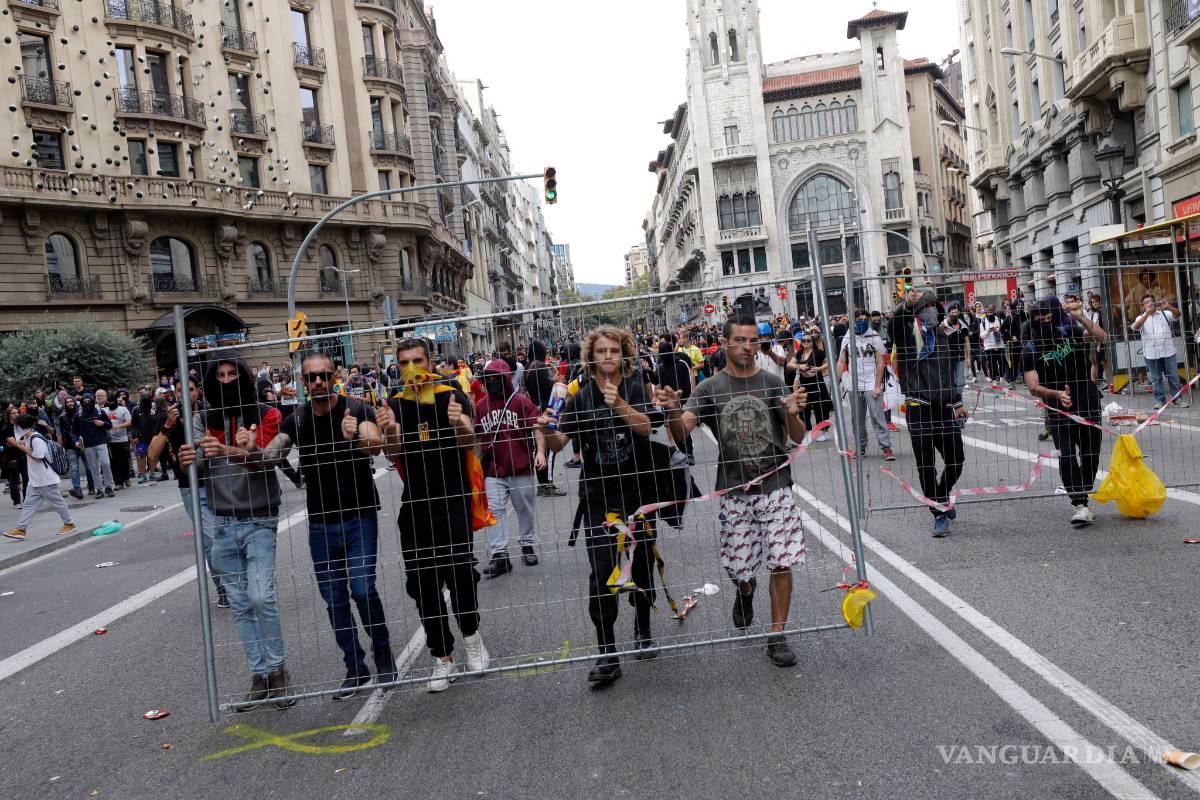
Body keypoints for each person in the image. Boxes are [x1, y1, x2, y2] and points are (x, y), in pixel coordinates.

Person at [658, 315, 809, 667]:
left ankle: (776, 635)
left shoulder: (772, 382)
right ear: (725, 343)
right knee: (739, 568)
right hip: (734, 490)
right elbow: (681, 433)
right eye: (740, 339)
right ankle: (745, 590)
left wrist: (793, 413)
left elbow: (799, 437)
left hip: (775, 485)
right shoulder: (710, 388)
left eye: (753, 340)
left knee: (781, 561)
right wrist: (671, 412)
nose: (747, 346)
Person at [256, 353, 397, 700]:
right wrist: (251, 450)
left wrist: (355, 437)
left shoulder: (356, 409)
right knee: (333, 600)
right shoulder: (298, 419)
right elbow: (271, 456)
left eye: (324, 376)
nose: (318, 382)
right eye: (311, 377)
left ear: (334, 377)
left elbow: (376, 447)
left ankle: (383, 654)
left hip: (360, 516)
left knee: (362, 590)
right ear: (303, 384)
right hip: (320, 524)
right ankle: (354, 666)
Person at [540, 325, 663, 684]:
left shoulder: (635, 389)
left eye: (613, 351)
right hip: (598, 498)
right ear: (591, 358)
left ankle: (643, 626)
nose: (607, 357)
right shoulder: (579, 398)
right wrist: (546, 430)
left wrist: (621, 404)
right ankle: (607, 651)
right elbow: (561, 442)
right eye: (600, 352)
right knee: (603, 571)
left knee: (640, 567)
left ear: (622, 355)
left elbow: (645, 428)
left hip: (637, 494)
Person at [178, 352, 295, 709]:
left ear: (244, 377)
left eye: (233, 374)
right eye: (220, 375)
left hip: (259, 517)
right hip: (223, 521)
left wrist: (238, 448)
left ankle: (278, 672)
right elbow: (195, 465)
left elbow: (270, 458)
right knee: (241, 604)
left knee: (261, 596)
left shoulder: (267, 414)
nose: (226, 380)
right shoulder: (202, 418)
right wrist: (186, 459)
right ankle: (260, 675)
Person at [379, 338, 489, 692]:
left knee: (460, 576)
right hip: (416, 507)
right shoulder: (396, 404)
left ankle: (472, 640)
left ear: (431, 361)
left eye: (418, 361)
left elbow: (472, 443)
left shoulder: (451, 394)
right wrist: (390, 431)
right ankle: (442, 657)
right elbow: (391, 452)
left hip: (453, 501)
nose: (412, 369)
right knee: (422, 585)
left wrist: (458, 422)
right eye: (404, 363)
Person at [1021, 295, 1109, 526]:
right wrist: (1056, 394)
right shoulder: (1030, 348)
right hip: (1058, 408)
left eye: (1048, 316)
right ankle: (1080, 503)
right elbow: (1032, 387)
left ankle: (1084, 492)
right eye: (1038, 318)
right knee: (1067, 455)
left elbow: (1102, 337)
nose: (1043, 321)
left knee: (1091, 453)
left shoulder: (1070, 330)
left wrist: (1080, 316)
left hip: (1087, 400)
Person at [890, 292, 969, 537]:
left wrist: (958, 402)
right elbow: (894, 324)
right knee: (926, 466)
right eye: (925, 308)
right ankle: (938, 513)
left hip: (945, 408)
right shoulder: (907, 338)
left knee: (956, 459)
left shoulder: (946, 337)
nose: (930, 312)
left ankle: (942, 494)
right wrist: (907, 305)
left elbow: (950, 375)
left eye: (934, 308)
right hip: (918, 409)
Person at [149, 376, 227, 608]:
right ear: (175, 393)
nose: (186, 395)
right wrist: (167, 427)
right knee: (211, 540)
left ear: (198, 392)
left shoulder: (208, 414)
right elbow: (152, 458)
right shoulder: (167, 419)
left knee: (220, 537)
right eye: (181, 390)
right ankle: (225, 588)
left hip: (219, 483)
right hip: (191, 488)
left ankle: (230, 585)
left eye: (190, 390)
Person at [476, 358, 546, 577]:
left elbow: (537, 427)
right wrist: (475, 467)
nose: (492, 383)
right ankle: (500, 555)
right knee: (494, 510)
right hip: (494, 469)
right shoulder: (480, 406)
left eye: (496, 378)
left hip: (520, 465)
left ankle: (527, 545)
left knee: (524, 508)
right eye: (488, 379)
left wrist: (541, 452)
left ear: (506, 378)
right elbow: (479, 438)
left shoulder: (520, 402)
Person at [2, 414, 75, 540]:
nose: (16, 429)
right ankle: (21, 529)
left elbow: (39, 457)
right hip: (36, 480)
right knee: (29, 504)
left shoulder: (36, 439)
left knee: (58, 502)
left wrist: (23, 449)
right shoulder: (30, 437)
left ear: (24, 427)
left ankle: (69, 523)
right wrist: (24, 443)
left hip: (45, 479)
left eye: (18, 426)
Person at [836, 309, 894, 461]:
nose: (862, 321)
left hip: (871, 383)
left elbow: (880, 362)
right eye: (859, 319)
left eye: (864, 319)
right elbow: (841, 361)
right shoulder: (848, 337)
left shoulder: (874, 337)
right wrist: (836, 382)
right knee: (857, 418)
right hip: (853, 385)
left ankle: (886, 447)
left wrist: (877, 385)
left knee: (877, 415)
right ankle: (861, 446)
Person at [523, 341, 567, 497]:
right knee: (548, 450)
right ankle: (547, 484)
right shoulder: (541, 366)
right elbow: (548, 388)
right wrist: (557, 382)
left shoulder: (529, 368)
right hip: (545, 412)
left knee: (539, 448)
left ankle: (542, 484)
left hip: (533, 411)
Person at [1132, 295, 1190, 409]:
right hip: (1151, 354)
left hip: (1168, 352)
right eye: (1146, 302)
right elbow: (1136, 327)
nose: (1150, 303)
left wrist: (1168, 307)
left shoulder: (1164, 313)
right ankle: (1160, 401)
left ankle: (1177, 399)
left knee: (1173, 377)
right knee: (1156, 379)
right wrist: (1147, 314)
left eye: (1151, 301)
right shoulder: (1140, 317)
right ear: (1143, 306)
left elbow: (1178, 314)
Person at [655, 337, 696, 463]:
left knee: (680, 428)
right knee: (678, 429)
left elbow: (687, 383)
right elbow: (659, 384)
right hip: (672, 403)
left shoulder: (680, 364)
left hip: (678, 402)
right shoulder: (661, 368)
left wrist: (686, 400)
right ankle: (686, 452)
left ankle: (687, 452)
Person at [788, 330, 830, 441]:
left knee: (820, 408)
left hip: (817, 384)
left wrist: (819, 368)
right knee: (804, 409)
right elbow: (789, 364)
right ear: (801, 342)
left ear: (812, 342)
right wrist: (799, 366)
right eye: (804, 340)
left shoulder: (818, 352)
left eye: (808, 340)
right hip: (804, 385)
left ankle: (824, 432)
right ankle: (807, 432)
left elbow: (829, 361)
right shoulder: (799, 354)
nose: (806, 342)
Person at [75, 392, 114, 498]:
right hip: (87, 445)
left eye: (88, 401)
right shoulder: (79, 415)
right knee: (94, 468)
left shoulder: (100, 412)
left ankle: (108, 486)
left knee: (105, 464)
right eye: (84, 401)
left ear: (92, 401)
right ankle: (99, 489)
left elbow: (110, 425)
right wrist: (76, 441)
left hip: (101, 442)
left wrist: (102, 424)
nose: (86, 403)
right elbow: (74, 431)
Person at [105, 389, 133, 488]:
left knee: (124, 461)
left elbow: (129, 422)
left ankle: (126, 478)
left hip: (122, 439)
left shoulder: (123, 410)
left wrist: (119, 426)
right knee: (114, 462)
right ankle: (118, 483)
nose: (111, 404)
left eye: (113, 402)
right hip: (110, 441)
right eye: (109, 402)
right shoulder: (105, 411)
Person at [2, 406, 28, 509]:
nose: (16, 414)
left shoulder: (20, 426)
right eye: (13, 413)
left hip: (23, 454)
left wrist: (19, 441)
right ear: (8, 415)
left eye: (17, 413)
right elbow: (14, 443)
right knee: (14, 480)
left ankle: (26, 499)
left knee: (27, 478)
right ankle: (16, 502)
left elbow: (25, 437)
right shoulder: (6, 428)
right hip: (12, 456)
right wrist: (20, 442)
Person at [979, 305, 1006, 382]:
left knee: (1001, 362)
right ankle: (994, 378)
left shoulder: (1000, 320)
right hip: (989, 346)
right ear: (986, 313)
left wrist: (998, 332)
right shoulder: (983, 322)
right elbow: (982, 336)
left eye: (992, 312)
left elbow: (1004, 333)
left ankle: (1001, 377)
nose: (990, 313)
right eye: (988, 312)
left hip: (1000, 345)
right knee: (992, 363)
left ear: (994, 312)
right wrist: (988, 331)